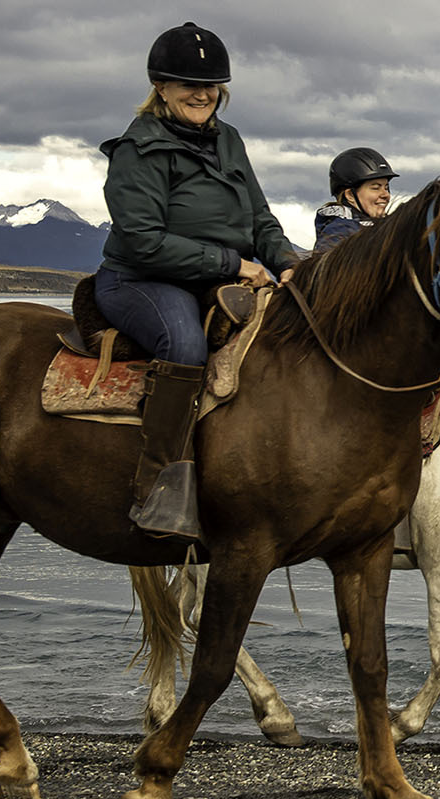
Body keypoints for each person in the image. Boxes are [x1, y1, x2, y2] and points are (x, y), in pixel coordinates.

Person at [95, 21, 300, 542]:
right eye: (189, 83)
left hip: (216, 275)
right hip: (142, 279)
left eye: (211, 85)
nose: (202, 94)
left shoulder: (228, 139)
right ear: (160, 86)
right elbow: (143, 241)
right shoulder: (137, 149)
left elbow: (260, 217)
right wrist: (233, 265)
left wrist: (288, 262)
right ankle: (158, 488)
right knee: (184, 343)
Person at [311, 148, 399, 255]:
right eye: (376, 188)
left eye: (386, 188)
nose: (386, 195)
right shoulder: (338, 234)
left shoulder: (388, 228)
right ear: (350, 195)